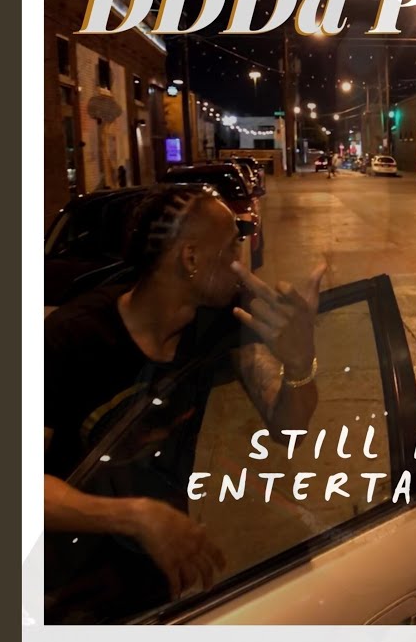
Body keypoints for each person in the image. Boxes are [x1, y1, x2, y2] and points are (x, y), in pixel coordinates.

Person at [44, 184, 326, 602]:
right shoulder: (70, 338)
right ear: (191, 258)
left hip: (159, 566)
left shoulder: (219, 321)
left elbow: (290, 428)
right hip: (64, 584)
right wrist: (133, 516)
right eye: (231, 248)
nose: (241, 263)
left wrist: (299, 363)